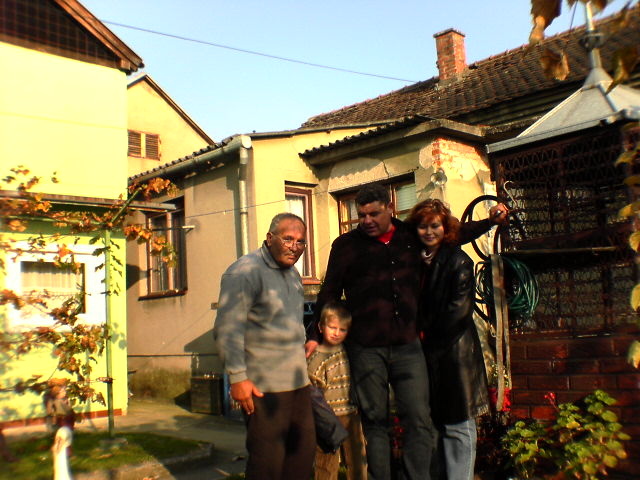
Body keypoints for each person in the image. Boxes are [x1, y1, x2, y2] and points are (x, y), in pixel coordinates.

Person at [305, 183, 506, 480]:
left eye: (374, 213)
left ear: (389, 208)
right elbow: (329, 292)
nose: (367, 220)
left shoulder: (409, 235)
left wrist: (490, 221)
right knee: (375, 422)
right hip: (366, 348)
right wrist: (314, 334)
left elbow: (453, 234)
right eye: (362, 215)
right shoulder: (345, 246)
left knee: (418, 420)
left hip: (408, 347)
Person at [214, 213, 316, 480]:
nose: (295, 247)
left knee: (301, 458)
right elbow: (227, 329)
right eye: (288, 239)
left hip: (297, 384)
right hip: (263, 388)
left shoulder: (293, 273)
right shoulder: (244, 272)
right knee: (267, 464)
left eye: (301, 242)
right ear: (270, 238)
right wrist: (237, 378)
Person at [406, 199, 490, 480]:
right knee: (438, 426)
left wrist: (425, 335)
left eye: (435, 226)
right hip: (429, 354)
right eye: (423, 226)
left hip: (455, 354)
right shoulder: (416, 261)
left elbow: (458, 312)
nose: (429, 232)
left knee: (459, 426)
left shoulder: (458, 261)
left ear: (445, 228)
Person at [307, 301, 367, 480]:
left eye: (342, 329)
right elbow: (312, 392)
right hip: (328, 417)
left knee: (357, 460)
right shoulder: (316, 358)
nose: (336, 333)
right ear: (320, 327)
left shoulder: (348, 351)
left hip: (351, 414)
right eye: (332, 328)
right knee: (326, 464)